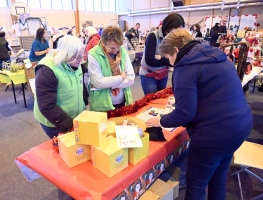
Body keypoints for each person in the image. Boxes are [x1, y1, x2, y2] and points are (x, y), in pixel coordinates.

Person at [145, 29, 253, 200]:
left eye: (169, 58)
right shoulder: (215, 54)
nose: (171, 63)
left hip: (213, 136)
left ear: (176, 51)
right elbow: (214, 91)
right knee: (218, 177)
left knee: (196, 184)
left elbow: (184, 114)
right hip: (241, 125)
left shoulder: (185, 66)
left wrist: (160, 120)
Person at [34, 35, 86, 139]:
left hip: (74, 118)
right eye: (76, 57)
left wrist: (84, 98)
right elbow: (47, 106)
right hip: (55, 123)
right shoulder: (46, 70)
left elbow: (79, 81)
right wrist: (69, 125)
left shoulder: (75, 62)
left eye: (81, 56)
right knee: (64, 150)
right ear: (65, 54)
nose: (81, 60)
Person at [88, 26, 135, 112]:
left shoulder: (123, 51)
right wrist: (121, 78)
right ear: (103, 43)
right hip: (102, 106)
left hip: (123, 101)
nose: (116, 51)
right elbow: (98, 82)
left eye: (118, 47)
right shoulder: (93, 54)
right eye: (112, 48)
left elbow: (131, 78)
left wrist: (108, 83)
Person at [140, 13, 185, 95]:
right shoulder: (153, 36)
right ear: (169, 27)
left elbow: (175, 62)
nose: (178, 33)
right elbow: (150, 61)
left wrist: (160, 57)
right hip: (149, 75)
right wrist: (167, 61)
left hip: (163, 74)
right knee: (151, 102)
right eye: (177, 30)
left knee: (162, 100)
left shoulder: (175, 39)